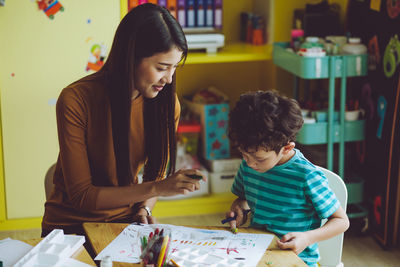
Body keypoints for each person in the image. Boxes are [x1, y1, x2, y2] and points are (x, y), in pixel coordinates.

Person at [42, 3, 205, 238]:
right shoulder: (76, 100)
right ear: (131, 57)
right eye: (161, 67)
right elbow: (83, 197)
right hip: (69, 228)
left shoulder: (168, 104)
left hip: (126, 225)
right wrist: (158, 188)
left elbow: (154, 175)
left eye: (174, 68)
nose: (169, 79)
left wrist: (144, 207)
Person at [224, 90, 349, 266]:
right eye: (244, 154)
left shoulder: (306, 176)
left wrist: (307, 237)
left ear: (287, 148)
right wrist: (239, 209)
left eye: (259, 159)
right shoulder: (248, 165)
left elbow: (342, 221)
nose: (250, 163)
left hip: (295, 259)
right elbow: (243, 199)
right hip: (255, 252)